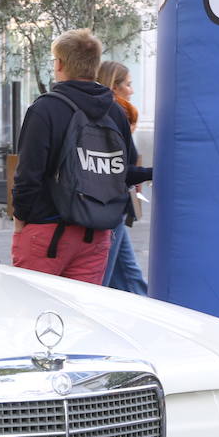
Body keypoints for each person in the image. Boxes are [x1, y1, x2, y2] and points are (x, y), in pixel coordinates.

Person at [11, 29, 152, 284]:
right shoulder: (115, 110)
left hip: (47, 233)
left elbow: (28, 174)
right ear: (95, 66)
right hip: (95, 235)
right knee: (80, 316)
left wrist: (20, 219)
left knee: (33, 313)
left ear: (60, 64)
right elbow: (122, 170)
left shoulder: (46, 108)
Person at [95, 61, 149, 296]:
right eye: (128, 84)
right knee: (106, 278)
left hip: (115, 208)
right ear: (114, 87)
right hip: (111, 206)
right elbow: (121, 168)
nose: (132, 90)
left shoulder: (119, 114)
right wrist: (153, 173)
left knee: (128, 274)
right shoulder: (116, 114)